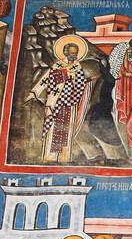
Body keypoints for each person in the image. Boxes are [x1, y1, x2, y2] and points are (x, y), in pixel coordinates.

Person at [30, 35, 94, 163]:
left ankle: (64, 157)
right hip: (57, 102)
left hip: (70, 104)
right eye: (71, 53)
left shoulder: (77, 67)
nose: (73, 56)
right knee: (53, 130)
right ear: (65, 52)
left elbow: (80, 83)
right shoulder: (58, 65)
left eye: (75, 53)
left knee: (65, 132)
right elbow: (48, 79)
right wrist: (67, 75)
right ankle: (50, 157)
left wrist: (86, 81)